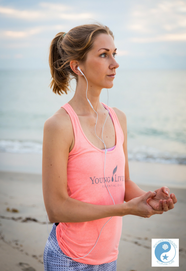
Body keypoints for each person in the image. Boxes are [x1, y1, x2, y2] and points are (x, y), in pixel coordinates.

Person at [42, 23, 177, 271]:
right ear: (76, 66)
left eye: (115, 54)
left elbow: (123, 184)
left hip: (109, 258)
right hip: (68, 259)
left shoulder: (118, 119)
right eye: (104, 55)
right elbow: (56, 209)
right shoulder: (59, 125)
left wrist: (148, 199)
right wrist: (125, 209)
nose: (114, 63)